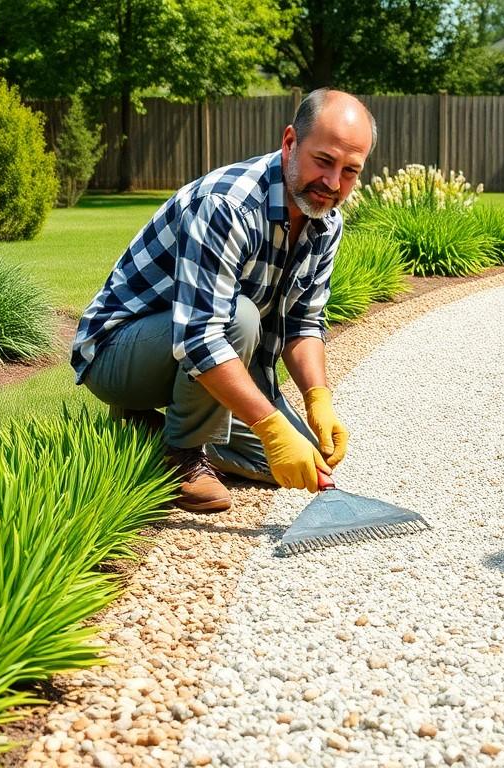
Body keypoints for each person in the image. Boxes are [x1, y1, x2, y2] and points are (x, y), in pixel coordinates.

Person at [70, 89, 375, 512]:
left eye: (349, 171)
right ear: (290, 142)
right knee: (241, 319)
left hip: (198, 352)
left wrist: (317, 399)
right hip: (118, 353)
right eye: (323, 161)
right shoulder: (227, 204)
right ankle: (181, 456)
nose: (332, 183)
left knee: (308, 463)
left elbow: (304, 322)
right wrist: (267, 425)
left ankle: (144, 430)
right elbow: (201, 335)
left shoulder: (327, 220)